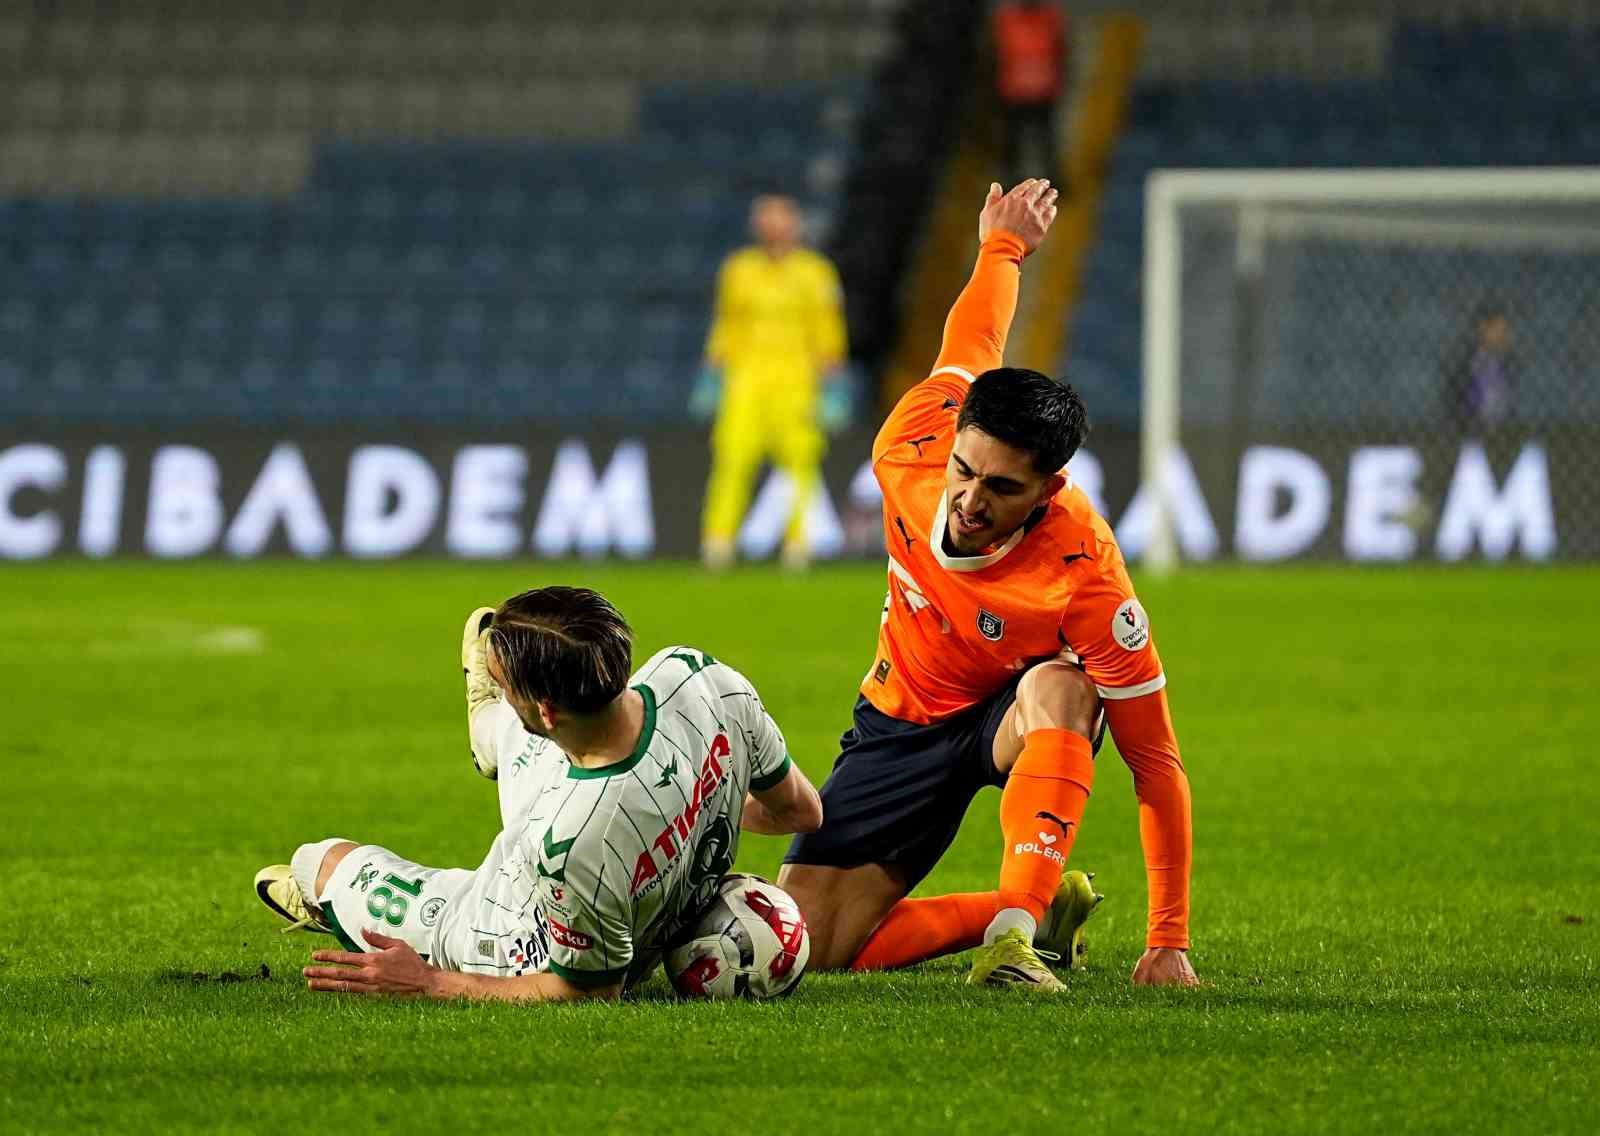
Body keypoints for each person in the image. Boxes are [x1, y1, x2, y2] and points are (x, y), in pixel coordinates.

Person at [778, 179, 1198, 991]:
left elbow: (1156, 759)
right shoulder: (911, 444)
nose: (969, 500)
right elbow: (973, 338)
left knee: (1066, 686)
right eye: (964, 469)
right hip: (900, 715)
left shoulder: (1087, 575)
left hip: (1007, 717)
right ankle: (1041, 911)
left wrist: (1168, 938)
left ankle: (1014, 937)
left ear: (1050, 487)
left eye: (1002, 488)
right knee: (818, 946)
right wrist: (1001, 245)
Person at [256, 588, 823, 1002]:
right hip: (593, 782)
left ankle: (327, 897)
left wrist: (429, 983)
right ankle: (491, 734)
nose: (510, 691)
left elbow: (586, 990)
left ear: (547, 709)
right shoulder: (699, 676)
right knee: (525, 742)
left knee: (320, 862)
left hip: (513, 925)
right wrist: (688, 813)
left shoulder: (574, 841)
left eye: (508, 687)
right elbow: (801, 810)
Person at [694, 195, 849, 571]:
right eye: (766, 220)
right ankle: (718, 544)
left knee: (800, 465)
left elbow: (827, 329)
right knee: (732, 460)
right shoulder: (738, 270)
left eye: (780, 220)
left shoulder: (816, 272)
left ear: (795, 225)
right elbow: (726, 324)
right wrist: (711, 376)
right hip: (744, 380)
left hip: (796, 380)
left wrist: (834, 388)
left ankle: (798, 545)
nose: (773, 227)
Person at [993, 0, 1069, 191]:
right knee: (1012, 142)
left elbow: (1062, 51)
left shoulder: (1051, 17)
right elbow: (996, 55)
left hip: (1044, 90)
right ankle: (1010, 182)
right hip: (1013, 92)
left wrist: (1060, 81)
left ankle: (1052, 181)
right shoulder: (1006, 19)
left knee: (1046, 141)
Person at [1451, 307, 1515, 434]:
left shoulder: (1509, 367)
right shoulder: (1466, 367)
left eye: (1506, 331)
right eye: (1500, 330)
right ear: (1483, 329)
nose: (1506, 337)